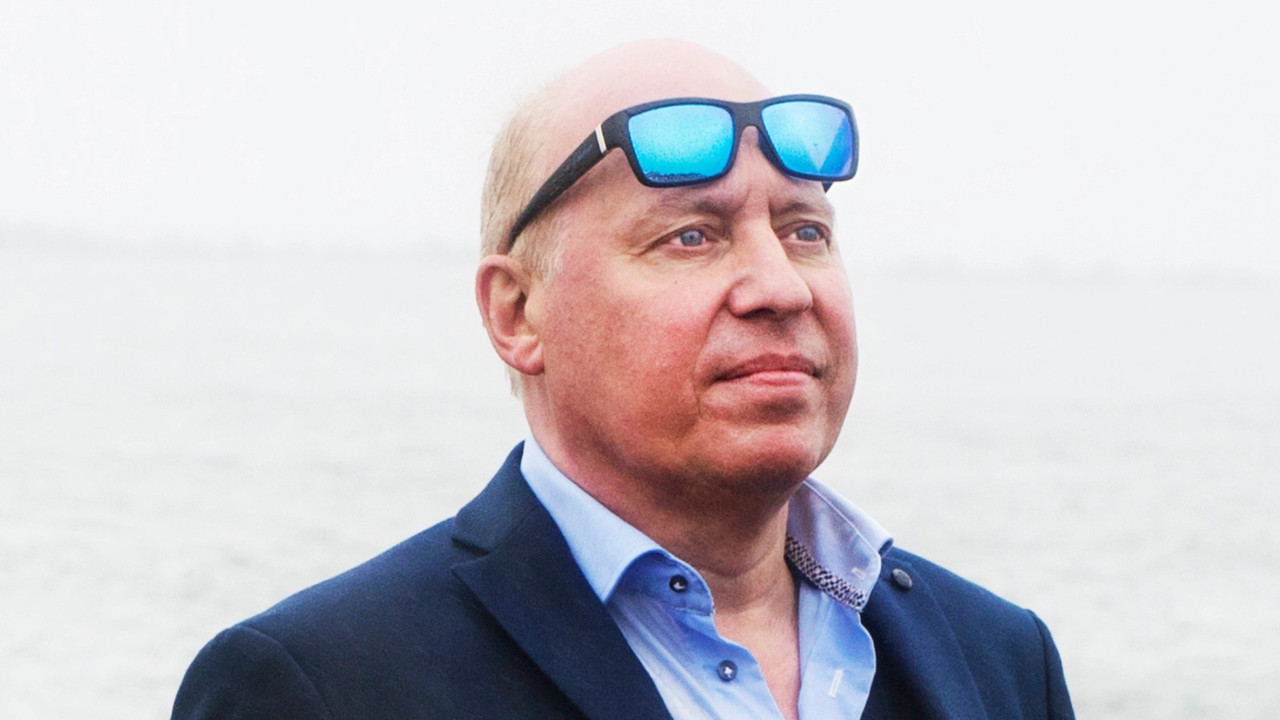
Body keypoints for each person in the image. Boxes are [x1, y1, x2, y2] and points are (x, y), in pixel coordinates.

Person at [171, 39, 1074, 720]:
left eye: (805, 231)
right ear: (518, 313)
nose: (781, 287)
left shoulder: (999, 661)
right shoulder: (324, 684)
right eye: (691, 236)